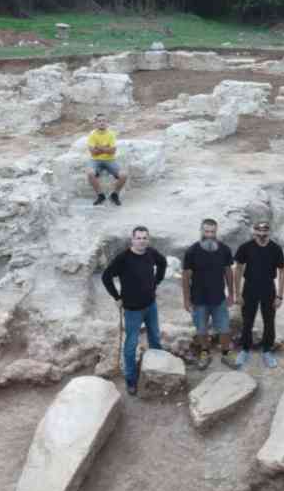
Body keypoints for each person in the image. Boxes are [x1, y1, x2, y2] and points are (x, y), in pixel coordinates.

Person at [102, 226, 168, 395]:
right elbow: (106, 277)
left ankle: (157, 369)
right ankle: (131, 379)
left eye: (144, 238)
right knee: (131, 345)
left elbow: (163, 263)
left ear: (148, 240)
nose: (141, 241)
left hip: (150, 305)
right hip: (132, 310)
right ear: (132, 239)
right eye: (138, 238)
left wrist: (156, 281)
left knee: (155, 337)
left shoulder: (151, 253)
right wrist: (116, 297)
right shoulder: (123, 259)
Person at [183, 219, 235, 370]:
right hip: (198, 299)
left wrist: (231, 294)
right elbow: (186, 276)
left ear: (216, 232)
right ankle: (205, 353)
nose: (209, 235)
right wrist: (186, 300)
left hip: (218, 298)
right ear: (201, 231)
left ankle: (226, 353)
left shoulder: (224, 250)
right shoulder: (192, 251)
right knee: (201, 330)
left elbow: (228, 272)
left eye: (212, 232)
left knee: (224, 328)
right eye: (206, 231)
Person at [233, 221, 284, 369]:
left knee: (269, 321)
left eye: (265, 231)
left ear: (269, 232)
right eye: (259, 231)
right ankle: (245, 349)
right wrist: (237, 293)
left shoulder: (275, 249)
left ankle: (267, 350)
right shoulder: (246, 247)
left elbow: (282, 272)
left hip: (268, 288)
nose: (262, 234)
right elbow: (237, 270)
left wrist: (280, 295)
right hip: (249, 287)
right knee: (247, 320)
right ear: (254, 231)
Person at [86, 113, 127, 206]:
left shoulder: (111, 134)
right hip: (95, 160)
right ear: (96, 123)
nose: (102, 123)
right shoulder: (92, 134)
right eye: (99, 121)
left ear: (107, 123)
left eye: (104, 121)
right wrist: (106, 148)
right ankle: (100, 195)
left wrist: (99, 147)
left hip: (110, 160)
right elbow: (93, 152)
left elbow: (112, 151)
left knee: (123, 175)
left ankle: (114, 194)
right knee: (90, 173)